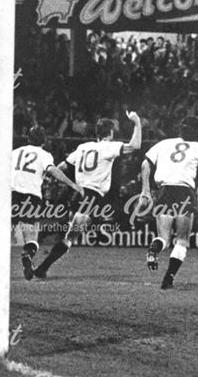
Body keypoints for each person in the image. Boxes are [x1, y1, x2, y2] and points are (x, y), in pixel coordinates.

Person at [33, 111, 142, 279]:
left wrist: (46, 176)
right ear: (110, 133)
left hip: (77, 194)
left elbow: (62, 166)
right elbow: (135, 145)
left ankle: (46, 240)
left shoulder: (83, 147)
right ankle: (42, 264)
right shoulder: (108, 146)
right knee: (70, 237)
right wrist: (137, 122)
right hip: (92, 196)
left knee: (72, 231)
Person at [141, 116, 198, 290]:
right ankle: (169, 278)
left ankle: (154, 249)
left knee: (164, 238)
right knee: (182, 240)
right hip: (184, 192)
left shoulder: (164, 143)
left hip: (164, 191)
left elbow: (145, 164)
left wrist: (145, 189)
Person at [10, 125, 85, 280]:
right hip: (30, 196)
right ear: (44, 141)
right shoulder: (44, 155)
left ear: (28, 138)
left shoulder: (15, 152)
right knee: (31, 237)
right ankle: (27, 254)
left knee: (4, 232)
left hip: (10, 194)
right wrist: (72, 184)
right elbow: (53, 170)